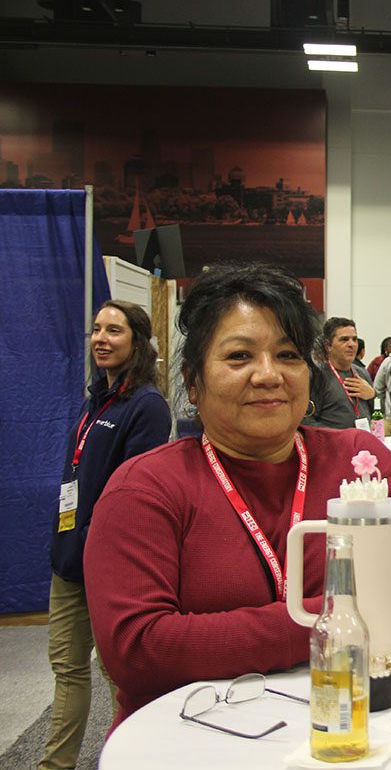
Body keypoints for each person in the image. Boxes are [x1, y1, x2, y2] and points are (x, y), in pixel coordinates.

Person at [83, 263, 391, 725]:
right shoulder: (146, 488)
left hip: (352, 719)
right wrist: (332, 620)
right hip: (193, 733)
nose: (269, 375)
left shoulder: (357, 460)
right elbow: (140, 648)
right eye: (239, 356)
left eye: (288, 355)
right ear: (193, 380)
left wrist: (235, 635)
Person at [40, 301, 171, 770]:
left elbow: (135, 498)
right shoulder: (93, 397)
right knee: (68, 669)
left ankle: (139, 757)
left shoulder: (147, 407)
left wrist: (97, 546)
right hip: (68, 558)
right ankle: (55, 765)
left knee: (121, 674)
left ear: (137, 341)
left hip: (109, 568)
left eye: (114, 330)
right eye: (96, 329)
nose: (101, 338)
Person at [307, 316, 376, 429]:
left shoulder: (361, 373)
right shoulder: (317, 376)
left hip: (363, 442)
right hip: (334, 444)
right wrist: (338, 437)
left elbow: (378, 412)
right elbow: (307, 420)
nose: (352, 344)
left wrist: (373, 395)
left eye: (354, 339)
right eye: (344, 339)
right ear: (328, 345)